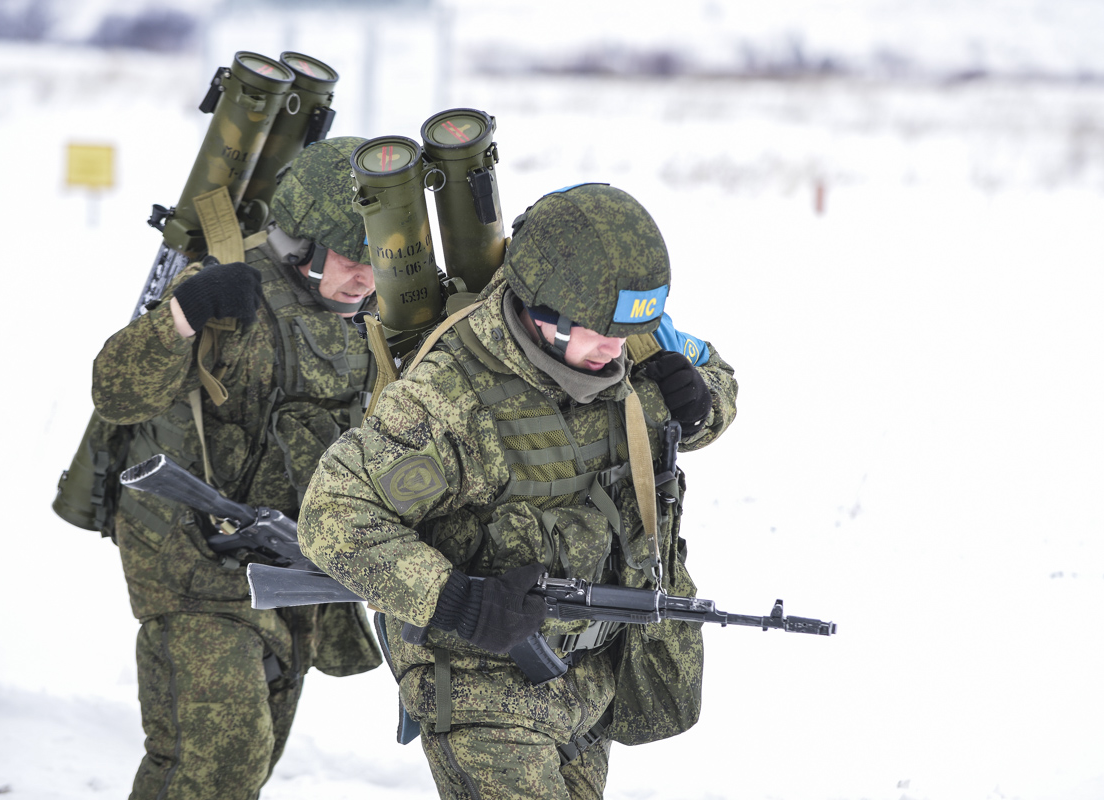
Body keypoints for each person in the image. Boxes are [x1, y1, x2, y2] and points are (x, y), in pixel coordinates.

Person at [296, 183, 739, 799]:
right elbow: (333, 514)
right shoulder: (452, 396)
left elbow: (712, 373)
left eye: (628, 331)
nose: (616, 348)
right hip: (482, 687)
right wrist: (456, 601)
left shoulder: (624, 337)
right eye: (599, 331)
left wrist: (702, 402)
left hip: (586, 682)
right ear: (543, 311)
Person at [92, 136, 384, 800]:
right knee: (220, 757)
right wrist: (184, 314)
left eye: (378, 256)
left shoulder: (377, 318)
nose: (365, 273)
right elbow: (115, 391)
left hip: (292, 569)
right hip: (191, 555)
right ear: (304, 241)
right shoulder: (233, 289)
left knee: (250, 758)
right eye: (350, 253)